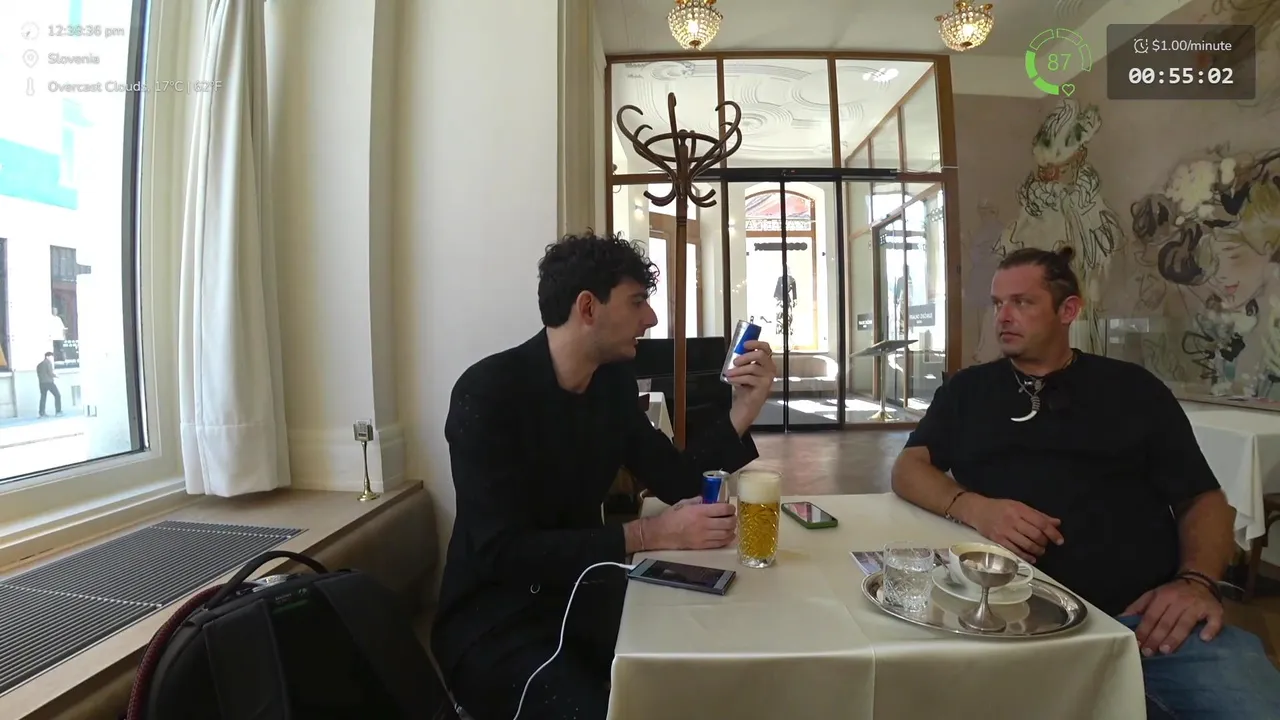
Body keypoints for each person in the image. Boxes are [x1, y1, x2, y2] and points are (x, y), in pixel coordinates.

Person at [891, 246, 1280, 719]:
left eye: (1022, 302)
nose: (1003, 317)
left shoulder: (1133, 390)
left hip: (1142, 623)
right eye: (997, 303)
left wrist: (1196, 583)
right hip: (997, 616)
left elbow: (1203, 498)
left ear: (1068, 310)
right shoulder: (968, 391)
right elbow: (909, 466)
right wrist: (974, 506)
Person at [432, 233, 777, 720]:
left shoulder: (610, 385)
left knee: (702, 668)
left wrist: (743, 410)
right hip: (495, 623)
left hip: (583, 594)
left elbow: (675, 479)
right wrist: (645, 534)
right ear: (588, 307)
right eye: (637, 302)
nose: (650, 318)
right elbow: (501, 553)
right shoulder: (487, 393)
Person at [36, 351, 62, 417]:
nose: (52, 358)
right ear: (47, 357)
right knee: (57, 395)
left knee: (43, 397)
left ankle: (41, 413)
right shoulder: (48, 363)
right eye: (51, 356)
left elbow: (39, 374)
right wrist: (56, 376)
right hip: (49, 382)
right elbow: (50, 373)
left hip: (41, 383)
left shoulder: (39, 365)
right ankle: (58, 411)